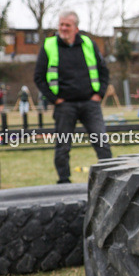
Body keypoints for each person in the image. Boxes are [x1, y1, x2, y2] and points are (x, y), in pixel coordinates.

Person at [33, 10, 112, 184]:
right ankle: (63, 180)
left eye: (67, 25)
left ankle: (110, 178)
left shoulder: (88, 44)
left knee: (101, 141)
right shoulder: (49, 45)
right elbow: (39, 77)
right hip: (64, 105)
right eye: (61, 24)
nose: (63, 28)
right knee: (63, 145)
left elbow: (103, 71)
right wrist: (54, 99)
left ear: (76, 28)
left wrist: (99, 94)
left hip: (90, 103)